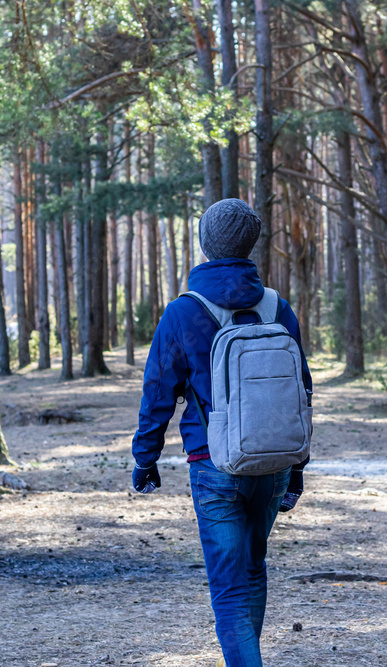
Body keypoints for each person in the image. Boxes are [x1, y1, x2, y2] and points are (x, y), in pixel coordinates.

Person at [131, 198, 311, 667]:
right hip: (273, 462)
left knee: (229, 586)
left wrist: (145, 458)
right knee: (253, 570)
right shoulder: (277, 307)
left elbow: (158, 393)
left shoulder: (183, 312)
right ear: (250, 245)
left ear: (205, 244)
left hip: (213, 465)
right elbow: (300, 391)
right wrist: (297, 468)